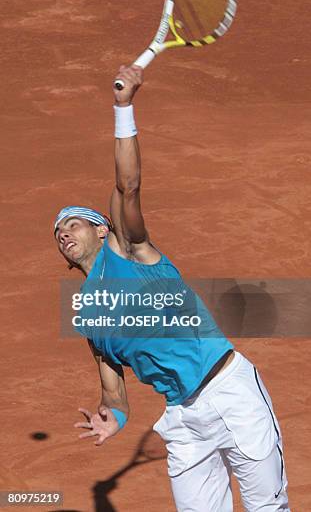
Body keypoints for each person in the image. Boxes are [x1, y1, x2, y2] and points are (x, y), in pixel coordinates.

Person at [54, 65, 290, 511]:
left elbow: (128, 185)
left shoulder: (128, 252)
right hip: (183, 419)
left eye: (72, 223)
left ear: (103, 231)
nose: (63, 233)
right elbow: (113, 387)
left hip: (229, 392)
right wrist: (114, 418)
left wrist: (123, 108)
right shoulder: (86, 314)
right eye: (57, 233)